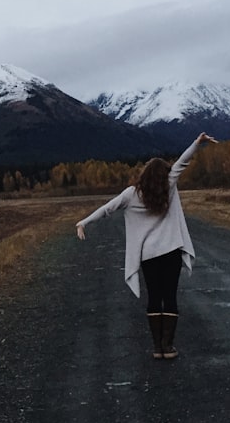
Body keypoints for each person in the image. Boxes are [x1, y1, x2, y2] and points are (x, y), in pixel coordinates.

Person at [76, 132, 218, 360]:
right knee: (169, 295)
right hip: (170, 252)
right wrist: (196, 143)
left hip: (148, 256)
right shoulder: (169, 186)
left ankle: (156, 348)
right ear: (164, 175)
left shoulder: (131, 194)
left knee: (154, 296)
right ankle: (168, 346)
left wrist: (84, 222)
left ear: (145, 174)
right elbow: (183, 162)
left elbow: (107, 209)